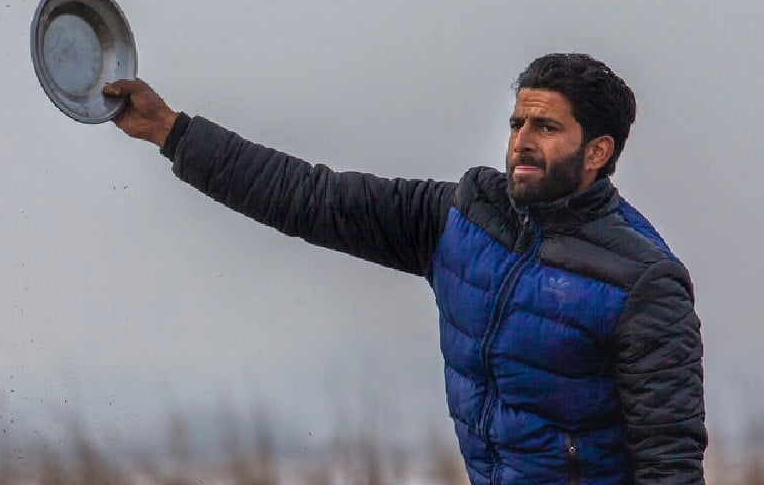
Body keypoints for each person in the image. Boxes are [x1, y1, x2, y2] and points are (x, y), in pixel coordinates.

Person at [102, 53, 705, 485]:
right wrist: (170, 132)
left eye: (546, 128)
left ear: (597, 151)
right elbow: (312, 198)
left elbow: (670, 460)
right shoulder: (463, 218)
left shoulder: (643, 281)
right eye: (518, 123)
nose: (522, 140)